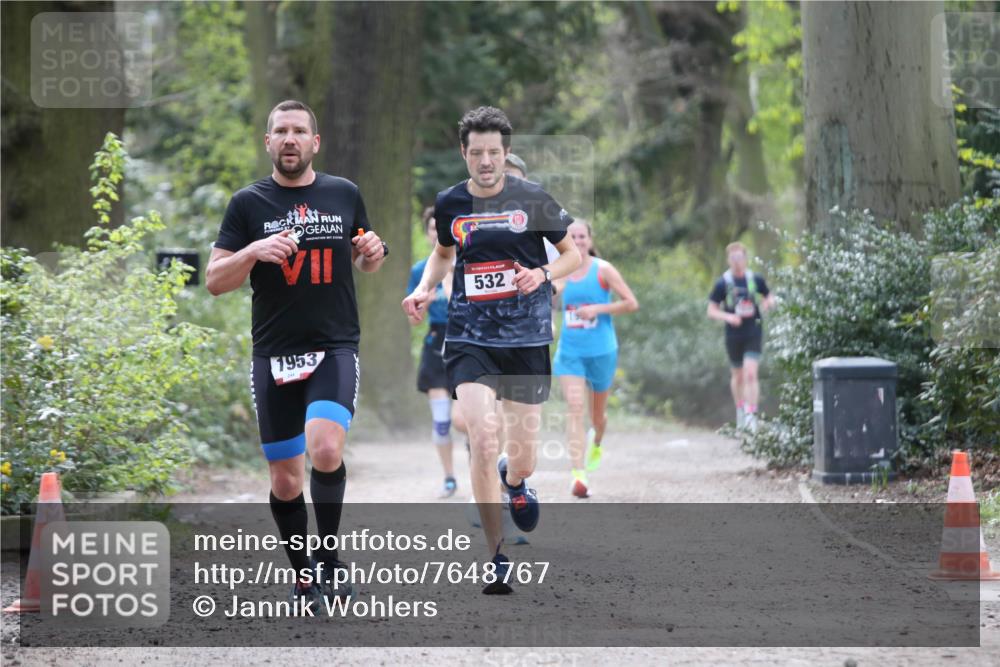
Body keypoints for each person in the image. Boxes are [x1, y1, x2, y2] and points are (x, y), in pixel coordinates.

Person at [206, 100, 387, 611]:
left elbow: (366, 258)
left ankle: (329, 561)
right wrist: (252, 251)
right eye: (281, 131)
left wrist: (371, 254)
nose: (290, 139)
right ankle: (304, 574)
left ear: (315, 142)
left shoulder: (343, 193)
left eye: (299, 131)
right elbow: (215, 280)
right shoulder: (247, 203)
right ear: (268, 142)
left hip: (334, 347)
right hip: (274, 355)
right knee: (285, 481)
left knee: (325, 448)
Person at [402, 106, 581, 594]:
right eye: (476, 152)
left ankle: (515, 482)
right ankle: (496, 556)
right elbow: (443, 254)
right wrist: (423, 288)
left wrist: (541, 274)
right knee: (483, 438)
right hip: (469, 337)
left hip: (525, 340)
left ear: (506, 153)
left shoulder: (533, 199)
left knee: (522, 459)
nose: (485, 161)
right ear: (464, 153)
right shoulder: (450, 203)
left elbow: (572, 255)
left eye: (494, 153)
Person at [552, 221, 639, 498]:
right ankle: (579, 475)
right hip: (570, 352)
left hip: (602, 351)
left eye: (582, 236)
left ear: (589, 240)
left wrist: (597, 309)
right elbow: (547, 296)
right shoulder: (560, 271)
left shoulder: (603, 270)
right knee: (575, 407)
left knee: (597, 416)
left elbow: (631, 303)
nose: (577, 240)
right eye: (572, 236)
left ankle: (597, 441)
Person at [407, 206, 464, 498]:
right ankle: (449, 477)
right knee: (442, 421)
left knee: (464, 420)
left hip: (465, 340)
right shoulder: (420, 271)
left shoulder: (467, 263)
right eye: (432, 229)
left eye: (441, 228)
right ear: (428, 233)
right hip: (436, 341)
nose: (436, 233)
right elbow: (413, 318)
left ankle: (481, 464)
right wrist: (424, 303)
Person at [707, 242, 775, 431]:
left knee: (751, 373)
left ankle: (751, 415)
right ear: (728, 260)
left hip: (753, 331)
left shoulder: (755, 279)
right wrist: (728, 317)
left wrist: (767, 304)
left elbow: (769, 296)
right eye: (733, 258)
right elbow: (711, 310)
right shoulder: (723, 283)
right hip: (733, 334)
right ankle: (740, 411)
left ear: (746, 259)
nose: (737, 261)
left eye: (740, 257)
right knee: (738, 376)